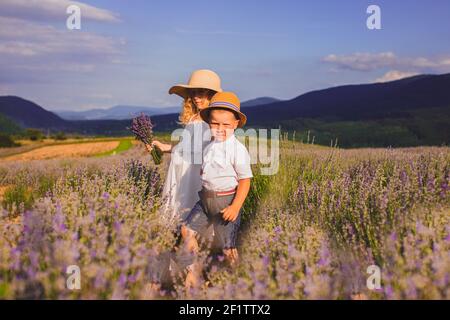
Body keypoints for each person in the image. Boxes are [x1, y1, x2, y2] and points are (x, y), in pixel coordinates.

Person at [180, 92, 253, 288]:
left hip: (226, 202)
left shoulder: (237, 150)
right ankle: (194, 272)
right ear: (209, 123)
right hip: (204, 201)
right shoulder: (210, 145)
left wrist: (235, 207)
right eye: (215, 124)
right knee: (186, 230)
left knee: (227, 248)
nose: (220, 129)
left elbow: (245, 181)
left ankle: (243, 283)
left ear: (236, 124)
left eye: (226, 124)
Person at [146, 69, 222, 222]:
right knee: (178, 210)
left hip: (195, 173)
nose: (195, 97)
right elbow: (185, 147)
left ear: (210, 94)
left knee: (193, 208)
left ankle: (197, 240)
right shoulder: (193, 117)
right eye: (193, 93)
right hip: (180, 171)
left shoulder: (214, 118)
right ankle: (177, 240)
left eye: (200, 93)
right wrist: (163, 147)